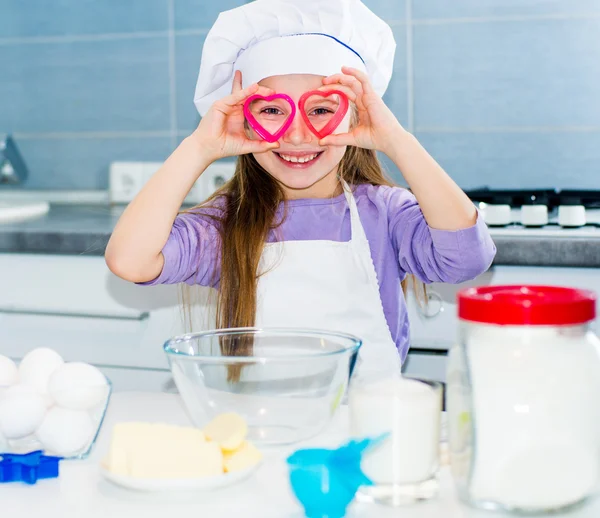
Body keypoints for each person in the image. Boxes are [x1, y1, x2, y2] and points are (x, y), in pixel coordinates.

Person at [105, 0, 496, 381]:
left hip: (369, 422)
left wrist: (394, 138)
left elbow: (468, 259)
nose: (296, 135)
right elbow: (130, 261)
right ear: (245, 120)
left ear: (355, 115)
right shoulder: (227, 223)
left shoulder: (384, 213)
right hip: (262, 424)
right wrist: (199, 147)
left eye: (321, 110)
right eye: (272, 110)